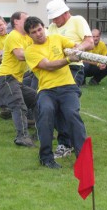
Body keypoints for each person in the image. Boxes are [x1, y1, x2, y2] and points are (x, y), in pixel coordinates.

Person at [24, 16, 88, 169]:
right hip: (47, 90)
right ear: (29, 35)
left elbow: (76, 45)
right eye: (34, 32)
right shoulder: (30, 51)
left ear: (43, 27)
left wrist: (78, 49)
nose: (38, 34)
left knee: (72, 114)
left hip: (68, 87)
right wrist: (68, 59)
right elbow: (48, 65)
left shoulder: (57, 38)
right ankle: (46, 158)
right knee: (46, 112)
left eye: (40, 29)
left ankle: (83, 158)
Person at [46, 0, 94, 159]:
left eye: (56, 17)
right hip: (56, 68)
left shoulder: (77, 21)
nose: (54, 20)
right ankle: (65, 142)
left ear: (65, 13)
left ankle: (69, 144)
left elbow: (89, 42)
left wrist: (76, 50)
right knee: (53, 106)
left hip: (74, 68)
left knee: (68, 107)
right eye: (52, 18)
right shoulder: (52, 28)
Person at [0, 11, 37, 147]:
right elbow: (20, 55)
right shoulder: (14, 36)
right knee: (19, 106)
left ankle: (41, 132)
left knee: (37, 99)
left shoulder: (27, 37)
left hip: (16, 81)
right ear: (16, 22)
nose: (29, 21)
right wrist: (37, 56)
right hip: (6, 78)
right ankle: (22, 137)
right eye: (26, 19)